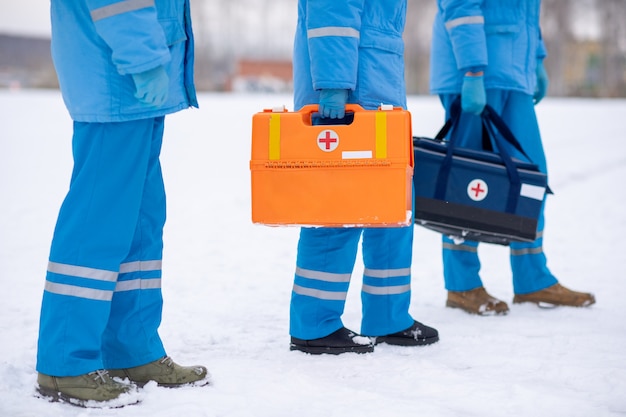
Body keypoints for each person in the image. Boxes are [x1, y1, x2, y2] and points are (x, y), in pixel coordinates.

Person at [35, 0, 209, 407]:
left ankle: (131, 351)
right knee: (97, 226)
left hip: (136, 84)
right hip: (116, 77)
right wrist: (144, 60)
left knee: (140, 226)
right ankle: (65, 362)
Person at [288, 0, 439, 355]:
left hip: (377, 87)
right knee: (336, 210)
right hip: (350, 89)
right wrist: (333, 82)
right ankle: (314, 325)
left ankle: (388, 316)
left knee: (394, 208)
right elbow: (332, 11)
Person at [429, 0, 595, 315]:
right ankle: (462, 285)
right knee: (467, 181)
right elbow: (460, 4)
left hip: (513, 70)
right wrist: (473, 68)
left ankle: (532, 278)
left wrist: (536, 59)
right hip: (474, 73)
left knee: (532, 178)